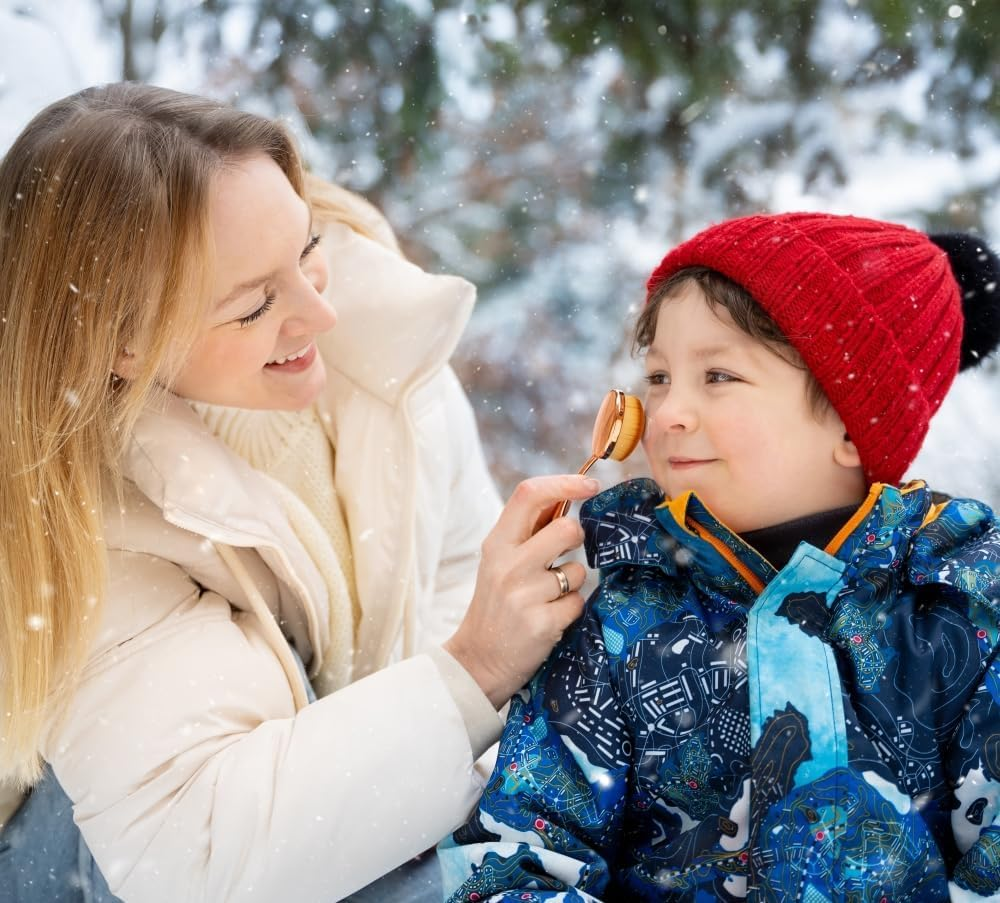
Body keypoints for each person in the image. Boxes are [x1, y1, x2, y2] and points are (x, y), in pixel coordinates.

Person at [0, 82, 602, 903]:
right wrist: (473, 670)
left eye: (307, 245)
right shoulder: (73, 510)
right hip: (77, 861)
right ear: (125, 342)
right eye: (256, 304)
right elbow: (199, 850)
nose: (322, 311)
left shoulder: (381, 349)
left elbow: (454, 566)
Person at [439, 212, 1000, 901]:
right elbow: (519, 854)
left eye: (718, 376)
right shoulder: (621, 618)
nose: (669, 410)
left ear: (853, 425)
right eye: (658, 376)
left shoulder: (953, 610)